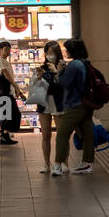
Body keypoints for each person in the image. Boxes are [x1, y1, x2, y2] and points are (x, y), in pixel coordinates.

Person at [51, 38, 94, 176]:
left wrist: (60, 70)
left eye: (67, 49)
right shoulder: (84, 63)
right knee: (87, 134)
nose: (66, 51)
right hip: (86, 103)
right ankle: (86, 163)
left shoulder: (74, 65)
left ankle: (57, 165)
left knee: (62, 135)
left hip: (74, 105)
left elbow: (64, 83)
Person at [33, 40, 63, 173]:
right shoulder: (42, 67)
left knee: (62, 135)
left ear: (58, 54)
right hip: (44, 103)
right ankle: (46, 163)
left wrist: (56, 72)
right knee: (46, 135)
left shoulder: (63, 66)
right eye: (48, 52)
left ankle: (62, 162)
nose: (50, 55)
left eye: (53, 53)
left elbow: (64, 85)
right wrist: (38, 77)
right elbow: (36, 87)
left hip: (58, 103)